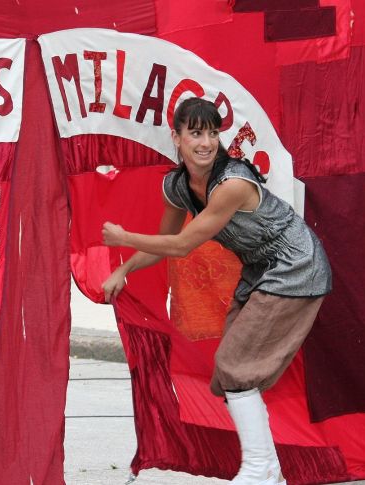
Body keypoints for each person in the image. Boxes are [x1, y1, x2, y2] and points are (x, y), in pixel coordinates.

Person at [101, 97, 332, 485]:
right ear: (177, 138)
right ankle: (268, 469)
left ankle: (260, 470)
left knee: (234, 367)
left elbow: (182, 246)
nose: (205, 142)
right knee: (232, 375)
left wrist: (122, 237)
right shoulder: (177, 186)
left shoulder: (233, 183)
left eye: (211, 132)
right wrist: (124, 268)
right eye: (195, 133)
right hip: (260, 271)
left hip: (295, 266)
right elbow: (165, 239)